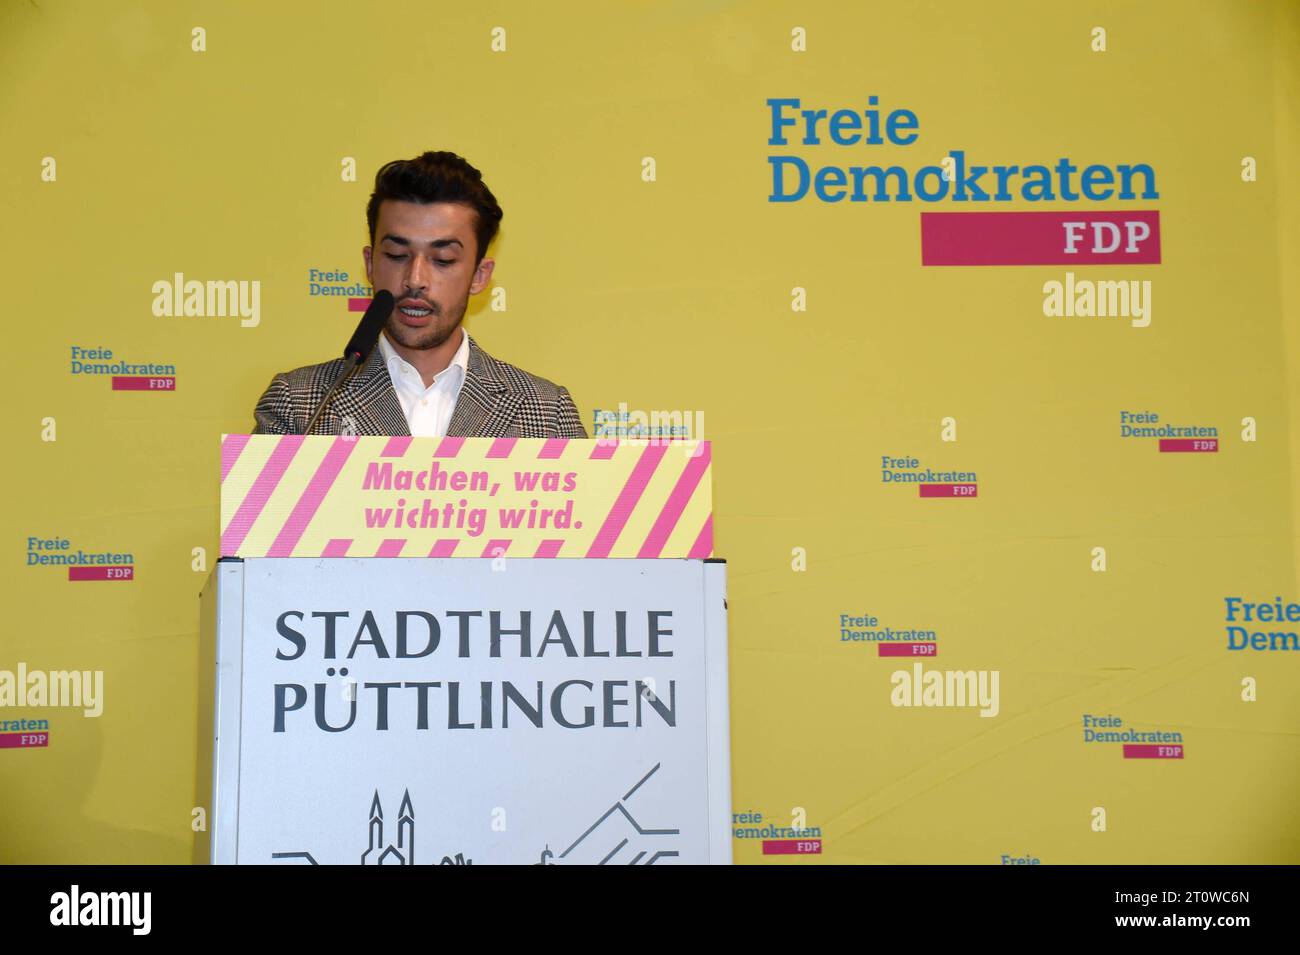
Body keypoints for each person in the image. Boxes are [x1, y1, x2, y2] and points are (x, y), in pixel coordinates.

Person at [252, 151, 587, 438]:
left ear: (479, 275)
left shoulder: (545, 414)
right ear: (370, 264)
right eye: (397, 255)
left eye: (443, 260)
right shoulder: (300, 404)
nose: (415, 279)